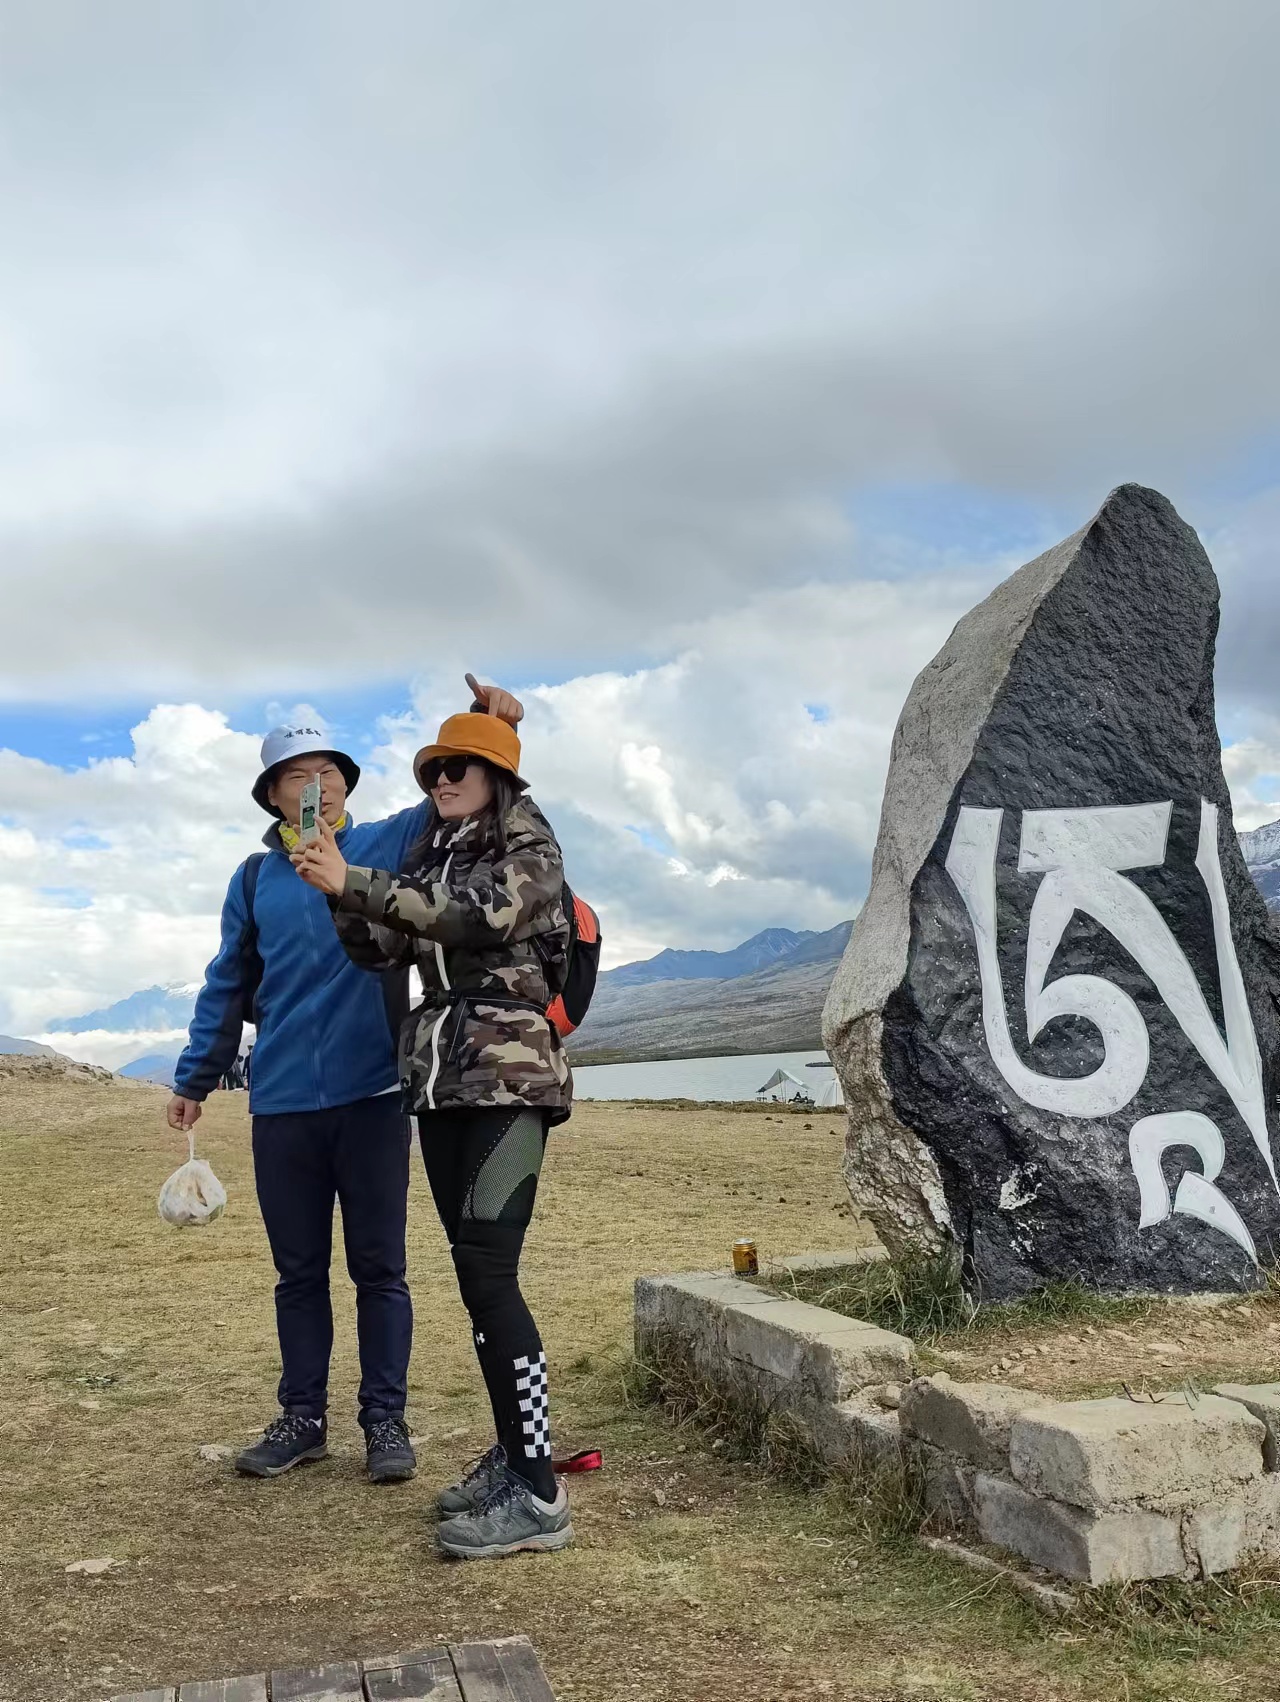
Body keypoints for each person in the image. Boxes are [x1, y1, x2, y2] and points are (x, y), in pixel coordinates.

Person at [166, 678, 523, 1485]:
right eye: (297, 776)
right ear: (271, 795)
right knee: (297, 1274)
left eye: (329, 772)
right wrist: (195, 1077)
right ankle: (302, 1418)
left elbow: (459, 793)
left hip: (372, 1097)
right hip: (282, 1105)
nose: (316, 786)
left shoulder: (389, 843)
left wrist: (486, 727)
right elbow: (227, 983)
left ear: (348, 786)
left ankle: (384, 1421)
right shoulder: (253, 880)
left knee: (380, 1271)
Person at [293, 707, 574, 1558]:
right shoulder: (434, 852)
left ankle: (540, 1492)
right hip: (445, 1086)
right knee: (474, 1276)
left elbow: (476, 916)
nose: (441, 780)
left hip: (511, 1081)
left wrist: (359, 881)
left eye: (458, 766)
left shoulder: (529, 845)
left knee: (491, 1275)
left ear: (498, 778)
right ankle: (515, 1456)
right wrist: (339, 892)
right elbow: (382, 947)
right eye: (431, 771)